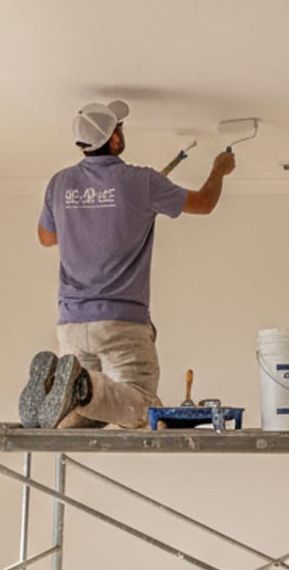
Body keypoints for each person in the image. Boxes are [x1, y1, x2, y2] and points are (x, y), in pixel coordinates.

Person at [20, 100, 235, 429]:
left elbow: (46, 238)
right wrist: (219, 169)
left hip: (71, 322)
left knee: (91, 416)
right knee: (142, 405)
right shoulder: (141, 181)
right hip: (122, 322)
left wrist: (82, 220)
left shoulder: (59, 183)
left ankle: (60, 400)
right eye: (120, 127)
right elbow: (204, 203)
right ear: (115, 139)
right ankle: (81, 387)